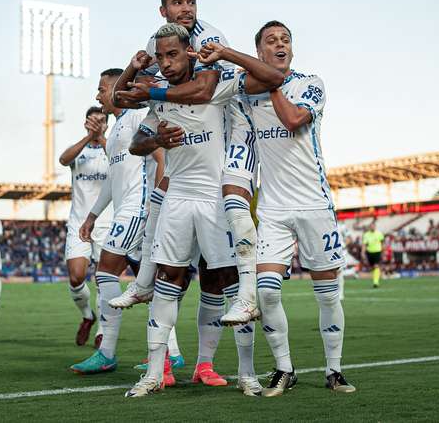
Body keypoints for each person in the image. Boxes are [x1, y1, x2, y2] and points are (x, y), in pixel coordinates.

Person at [123, 23, 285, 398]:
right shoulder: (158, 99)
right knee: (168, 284)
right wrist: (155, 140)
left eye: (173, 54)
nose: (165, 62)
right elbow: (135, 142)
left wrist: (227, 53)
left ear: (189, 52)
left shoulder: (215, 85)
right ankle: (151, 373)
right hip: (177, 199)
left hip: (215, 199)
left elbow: (273, 78)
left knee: (232, 288)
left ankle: (247, 373)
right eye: (160, 56)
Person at [111, 0, 260, 326]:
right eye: (177, 3)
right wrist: (135, 71)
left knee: (235, 204)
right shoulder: (158, 41)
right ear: (163, 10)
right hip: (191, 132)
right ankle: (144, 282)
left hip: (230, 122)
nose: (186, 8)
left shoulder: (209, 36)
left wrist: (155, 94)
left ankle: (249, 293)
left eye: (191, 1)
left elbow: (205, 90)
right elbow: (122, 97)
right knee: (160, 198)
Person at [224, 21, 355, 396]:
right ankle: (284, 368)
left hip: (315, 204)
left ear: (292, 50)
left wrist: (271, 82)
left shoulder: (311, 83)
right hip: (273, 210)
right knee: (266, 291)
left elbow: (295, 120)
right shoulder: (246, 97)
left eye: (285, 40)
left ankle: (334, 370)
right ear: (260, 53)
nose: (280, 45)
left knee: (327, 293)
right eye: (271, 41)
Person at [70, 69, 165, 375]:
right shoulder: (116, 134)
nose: (98, 95)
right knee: (150, 282)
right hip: (126, 207)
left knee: (107, 271)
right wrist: (93, 216)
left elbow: (161, 157)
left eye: (101, 89)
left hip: (139, 208)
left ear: (116, 88)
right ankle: (171, 354)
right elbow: (112, 179)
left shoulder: (138, 118)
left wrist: (157, 203)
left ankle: (107, 351)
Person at [59, 106, 111, 348]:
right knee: (76, 277)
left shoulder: (112, 148)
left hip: (107, 222)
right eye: (93, 121)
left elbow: (122, 163)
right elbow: (63, 159)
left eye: (101, 121)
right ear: (85, 123)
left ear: (107, 125)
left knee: (104, 278)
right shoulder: (78, 151)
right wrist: (89, 137)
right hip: (79, 222)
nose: (97, 124)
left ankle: (102, 330)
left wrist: (100, 138)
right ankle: (87, 316)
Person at [362, 222, 384, 288]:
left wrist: (383, 251)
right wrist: (362, 252)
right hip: (369, 252)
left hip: (377, 252)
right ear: (369, 227)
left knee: (376, 266)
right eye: (371, 226)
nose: (372, 227)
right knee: (373, 268)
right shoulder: (366, 235)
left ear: (375, 227)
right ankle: (375, 279)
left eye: (373, 226)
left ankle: (376, 282)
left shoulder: (379, 234)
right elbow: (364, 244)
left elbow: (382, 243)